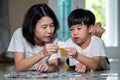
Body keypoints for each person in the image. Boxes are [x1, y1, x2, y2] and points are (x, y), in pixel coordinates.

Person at [7, 3, 59, 72]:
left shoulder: (53, 35)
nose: (49, 31)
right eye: (44, 27)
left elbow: (54, 64)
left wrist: (48, 68)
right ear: (32, 27)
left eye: (52, 25)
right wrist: (42, 53)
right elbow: (19, 67)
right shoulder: (19, 34)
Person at [65, 9, 110, 73]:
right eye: (71, 29)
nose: (75, 33)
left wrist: (76, 55)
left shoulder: (97, 42)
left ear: (90, 28)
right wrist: (80, 66)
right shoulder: (70, 42)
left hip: (100, 65)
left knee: (99, 53)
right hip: (84, 65)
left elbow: (95, 65)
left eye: (79, 28)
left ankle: (97, 34)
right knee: (69, 62)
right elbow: (76, 65)